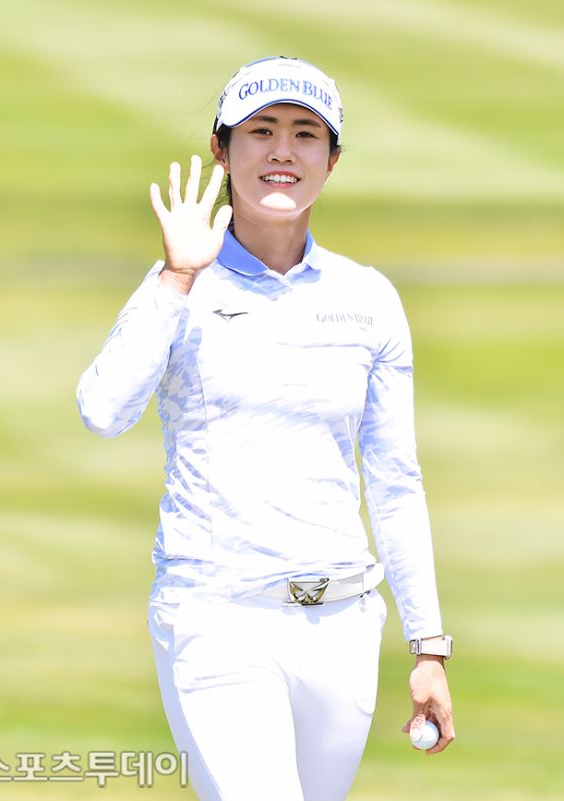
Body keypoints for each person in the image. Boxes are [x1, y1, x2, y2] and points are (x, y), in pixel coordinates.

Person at [76, 56, 455, 801]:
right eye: (261, 131)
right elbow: (102, 410)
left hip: (343, 622)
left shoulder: (368, 298)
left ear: (331, 159)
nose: (283, 151)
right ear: (221, 150)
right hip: (216, 616)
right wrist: (176, 278)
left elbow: (395, 480)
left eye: (306, 134)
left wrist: (429, 645)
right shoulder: (180, 284)